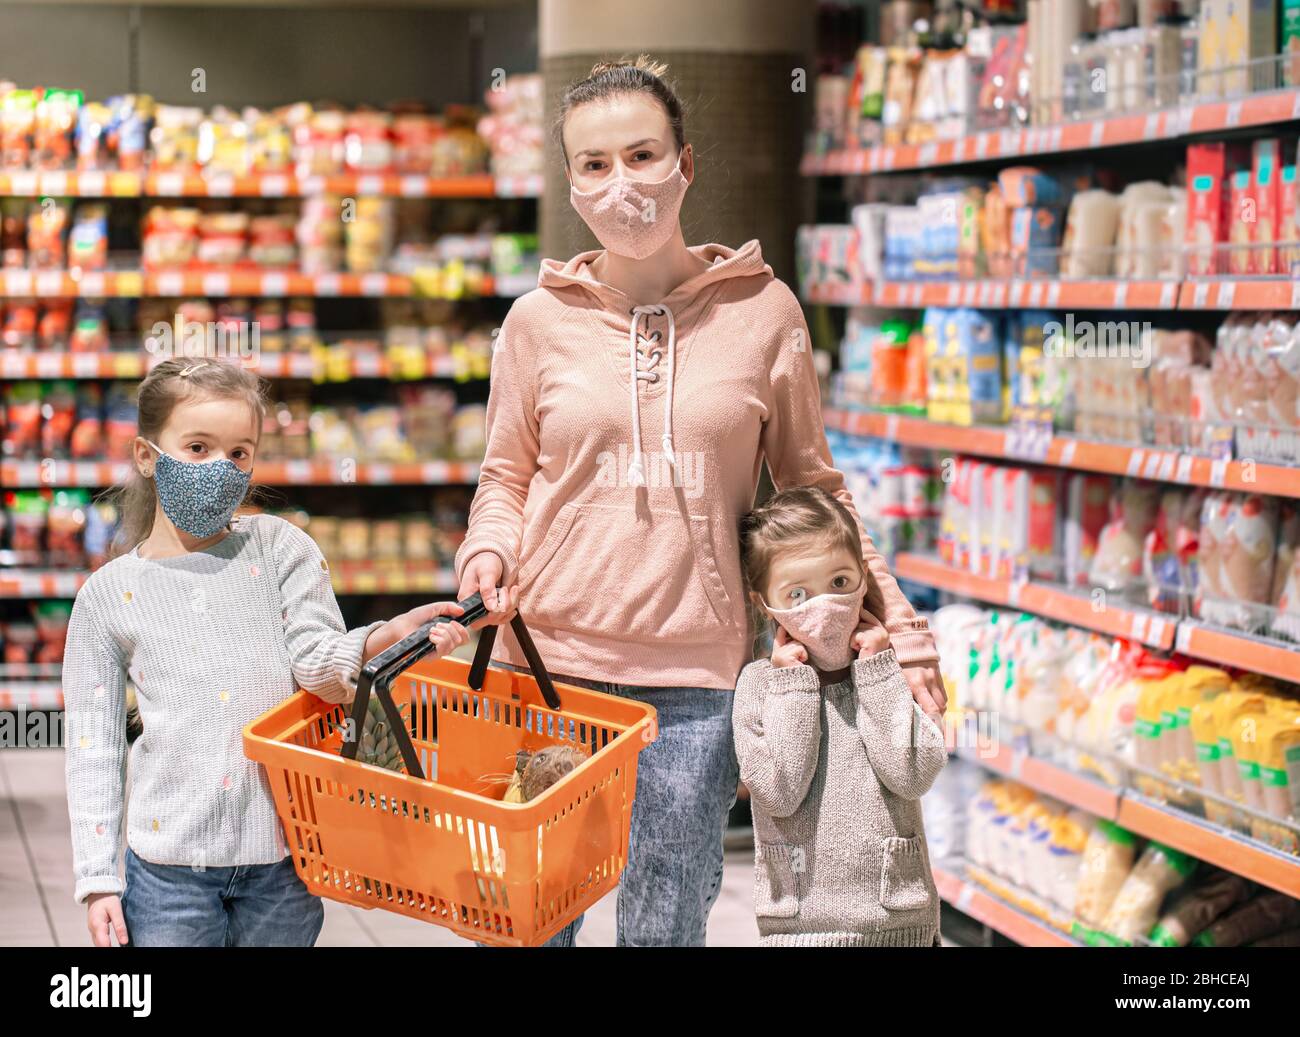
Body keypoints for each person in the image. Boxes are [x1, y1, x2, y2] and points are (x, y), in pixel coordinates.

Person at [456, 55, 945, 947]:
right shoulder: (536, 322)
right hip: (547, 667)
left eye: (642, 155)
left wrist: (902, 633)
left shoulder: (765, 312)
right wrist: (487, 550)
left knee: (667, 925)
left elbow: (813, 492)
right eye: (594, 164)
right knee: (533, 920)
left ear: (686, 163)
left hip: (696, 686)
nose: (621, 183)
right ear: (571, 183)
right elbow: (506, 478)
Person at [64, 358, 472, 947]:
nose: (219, 468)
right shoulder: (107, 596)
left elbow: (317, 665)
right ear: (147, 456)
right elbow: (94, 746)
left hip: (284, 857)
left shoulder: (282, 549)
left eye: (239, 453)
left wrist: (387, 636)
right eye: (198, 447)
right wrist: (98, 879)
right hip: (168, 869)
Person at [734, 486, 945, 946]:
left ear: (864, 579)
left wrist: (877, 672)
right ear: (763, 602)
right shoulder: (757, 686)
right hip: (799, 927)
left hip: (899, 922)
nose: (825, 605)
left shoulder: (889, 672)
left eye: (840, 583)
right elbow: (778, 793)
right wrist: (793, 686)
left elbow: (913, 773)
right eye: (797, 594)